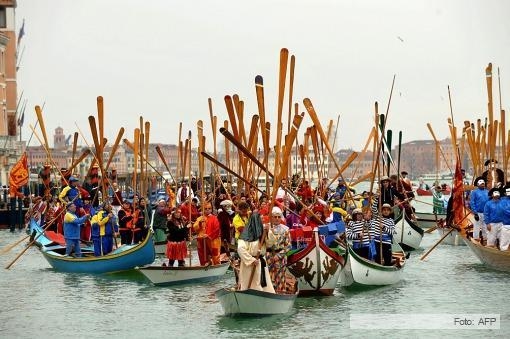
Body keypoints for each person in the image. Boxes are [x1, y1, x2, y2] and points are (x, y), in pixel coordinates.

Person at [237, 211, 277, 292]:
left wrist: (268, 232)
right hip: (249, 264)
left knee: (264, 285)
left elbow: (271, 243)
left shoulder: (264, 230)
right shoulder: (246, 233)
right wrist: (251, 260)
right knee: (251, 284)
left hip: (261, 261)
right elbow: (240, 249)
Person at [265, 206, 291, 292]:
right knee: (267, 278)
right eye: (275, 217)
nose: (277, 219)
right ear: (271, 217)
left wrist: (279, 255)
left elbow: (288, 246)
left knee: (280, 279)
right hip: (268, 256)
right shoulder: (265, 228)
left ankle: (281, 293)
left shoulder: (285, 229)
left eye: (279, 217)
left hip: (280, 257)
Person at [469, 177, 489, 242]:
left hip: (485, 213)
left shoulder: (487, 192)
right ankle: (476, 238)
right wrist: (475, 213)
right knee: (477, 226)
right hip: (478, 212)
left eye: (483, 184)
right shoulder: (474, 192)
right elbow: (472, 202)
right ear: (478, 184)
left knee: (485, 226)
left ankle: (485, 239)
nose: (483, 185)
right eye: (481, 184)